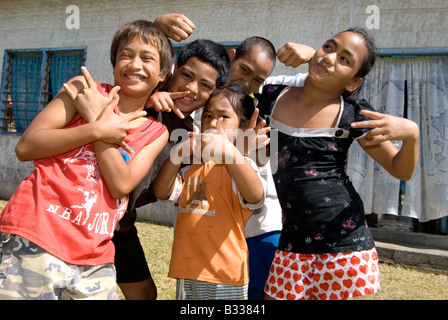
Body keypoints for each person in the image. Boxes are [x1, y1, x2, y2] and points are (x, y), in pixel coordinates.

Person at [0, 20, 173, 300]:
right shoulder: (83, 89)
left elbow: (121, 185)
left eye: (147, 58)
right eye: (126, 55)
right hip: (36, 233)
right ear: (114, 61)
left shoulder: (156, 132)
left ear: (163, 72)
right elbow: (26, 146)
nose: (135, 64)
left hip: (95, 256)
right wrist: (96, 129)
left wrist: (98, 120)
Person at [257, 27, 419, 300]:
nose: (330, 58)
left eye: (345, 59)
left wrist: (412, 135)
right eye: (328, 47)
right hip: (292, 240)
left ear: (354, 83)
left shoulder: (354, 115)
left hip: (344, 243)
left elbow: (400, 169)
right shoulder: (272, 96)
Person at [113, 39, 230, 300]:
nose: (191, 89)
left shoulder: (190, 135)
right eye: (186, 75)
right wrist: (146, 98)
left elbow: (164, 189)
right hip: (87, 212)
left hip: (121, 223)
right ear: (172, 70)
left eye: (205, 86)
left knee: (145, 294)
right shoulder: (143, 95)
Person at [153, 83, 266, 300]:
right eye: (207, 116)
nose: (213, 123)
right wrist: (177, 154)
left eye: (223, 116)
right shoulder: (193, 168)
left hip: (224, 276)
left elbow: (255, 196)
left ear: (242, 128)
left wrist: (229, 151)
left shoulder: (241, 167)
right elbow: (162, 192)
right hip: (187, 271)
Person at [226, 36, 315, 300]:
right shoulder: (206, 102)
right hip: (216, 227)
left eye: (257, 79)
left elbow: (314, 83)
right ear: (231, 57)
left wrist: (312, 55)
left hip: (261, 227)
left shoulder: (266, 101)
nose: (247, 82)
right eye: (243, 70)